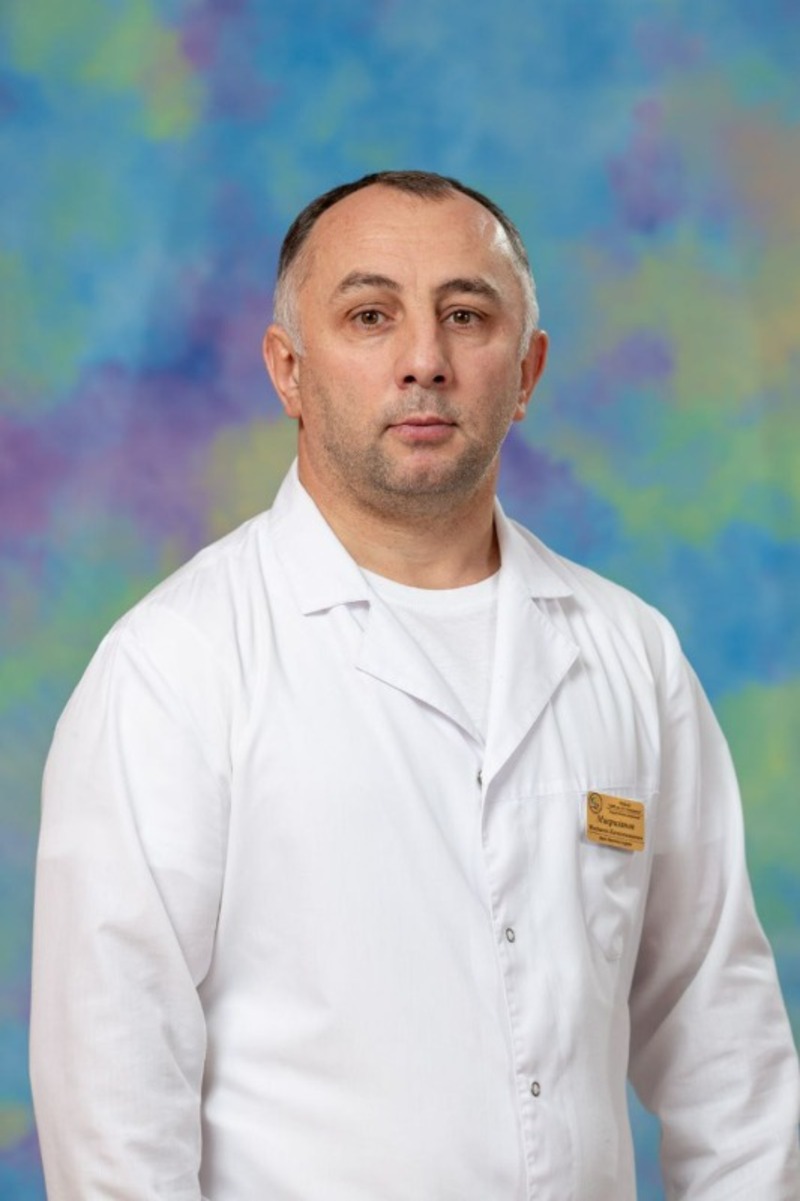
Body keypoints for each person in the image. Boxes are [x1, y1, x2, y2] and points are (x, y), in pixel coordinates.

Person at [31, 170, 799, 1199]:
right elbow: (114, 1102)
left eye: (465, 315)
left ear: (525, 371)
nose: (424, 359)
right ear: (288, 369)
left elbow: (724, 1046)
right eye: (370, 315)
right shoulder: (176, 668)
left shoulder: (631, 655)